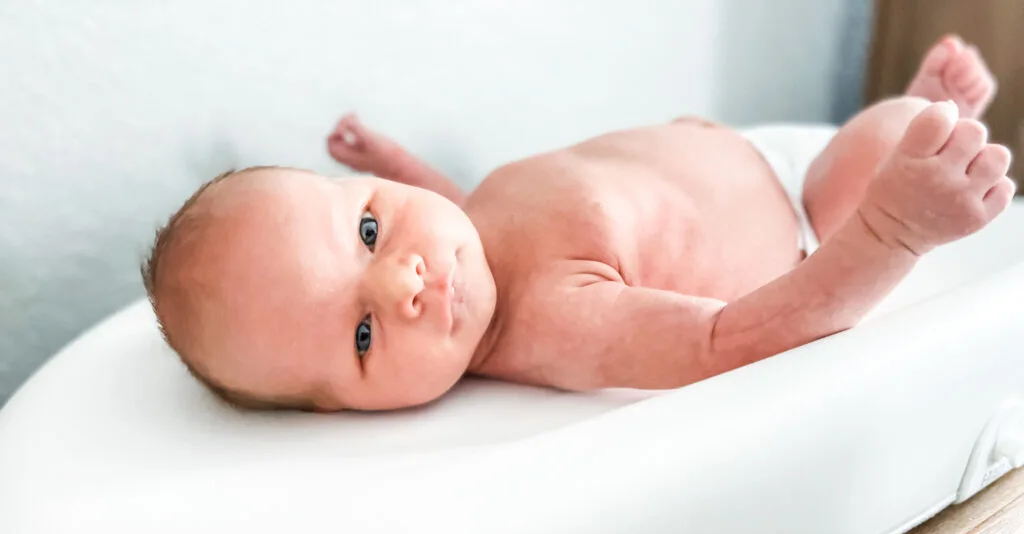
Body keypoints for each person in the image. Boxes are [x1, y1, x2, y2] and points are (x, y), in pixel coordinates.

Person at [143, 35, 1011, 411]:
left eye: (368, 232)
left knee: (888, 133)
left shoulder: (461, 240)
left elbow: (458, 204)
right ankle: (925, 140)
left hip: (736, 151)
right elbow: (730, 340)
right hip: (802, 218)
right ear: (342, 411)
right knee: (880, 147)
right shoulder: (556, 321)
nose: (405, 281)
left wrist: (394, 162)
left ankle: (926, 118)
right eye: (364, 336)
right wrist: (894, 230)